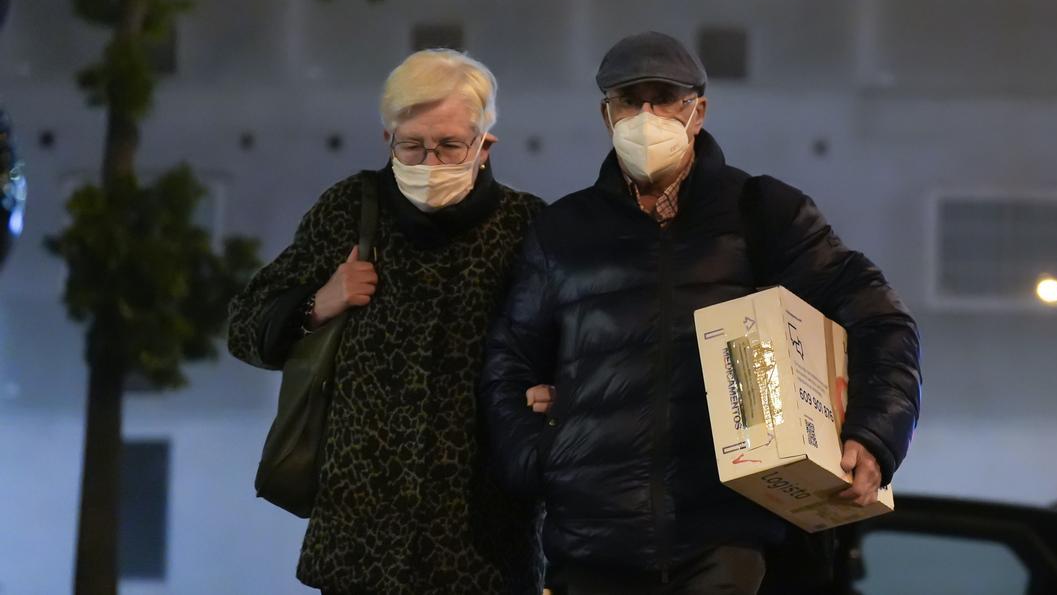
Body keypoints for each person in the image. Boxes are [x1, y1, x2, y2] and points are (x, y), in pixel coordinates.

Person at [480, 31, 921, 594]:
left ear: (699, 111)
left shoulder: (763, 214)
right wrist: (540, 462)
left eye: (664, 97)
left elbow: (881, 319)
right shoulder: (561, 232)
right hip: (591, 542)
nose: (646, 115)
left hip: (725, 537)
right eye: (628, 99)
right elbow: (508, 363)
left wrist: (876, 434)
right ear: (605, 114)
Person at [228, 49, 546, 594]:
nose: (429, 163)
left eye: (449, 146)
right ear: (387, 142)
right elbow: (243, 328)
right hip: (359, 539)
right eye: (412, 145)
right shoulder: (350, 208)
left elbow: (576, 345)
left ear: (484, 147)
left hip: (483, 542)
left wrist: (554, 385)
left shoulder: (527, 225)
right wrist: (318, 302)